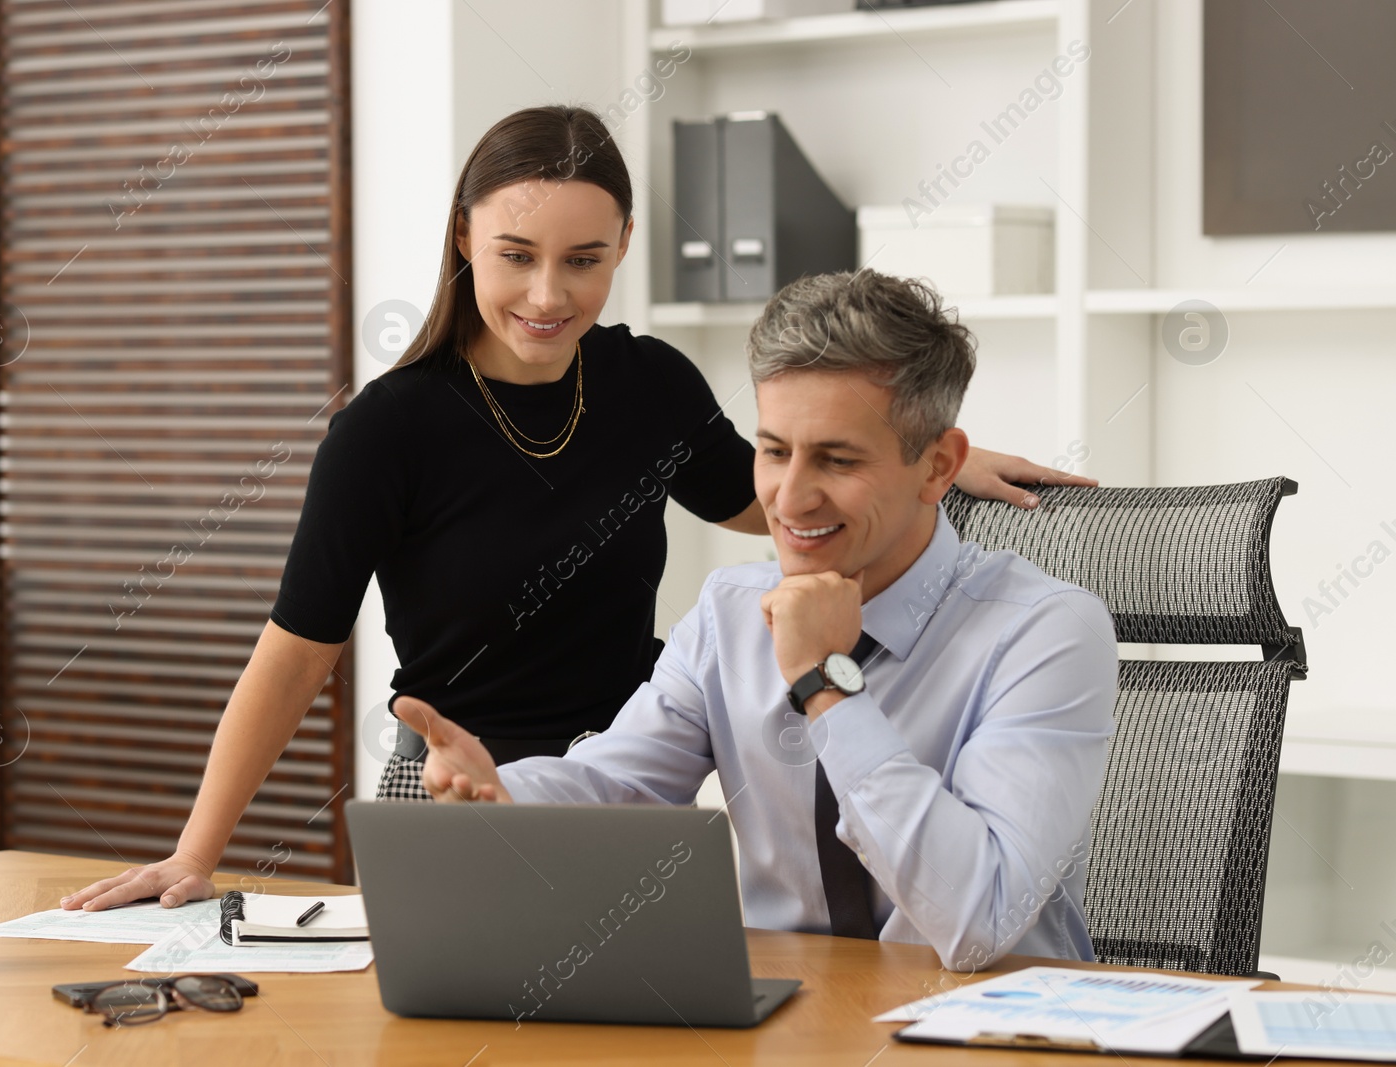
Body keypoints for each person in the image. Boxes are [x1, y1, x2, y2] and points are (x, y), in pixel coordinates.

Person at [62, 106, 1095, 915]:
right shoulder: (389, 428)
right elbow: (294, 651)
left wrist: (921, 466)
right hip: (465, 779)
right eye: (515, 254)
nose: (548, 294)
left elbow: (759, 494)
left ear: (624, 244)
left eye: (583, 259)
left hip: (627, 773)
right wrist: (197, 854)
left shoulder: (644, 383)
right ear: (464, 239)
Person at [393, 269, 1119, 972]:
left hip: (990, 1038)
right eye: (773, 452)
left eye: (836, 460)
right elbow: (619, 786)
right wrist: (504, 794)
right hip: (787, 1026)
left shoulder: (1047, 632)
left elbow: (980, 921)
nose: (789, 499)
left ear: (937, 468)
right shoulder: (728, 613)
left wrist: (828, 682)